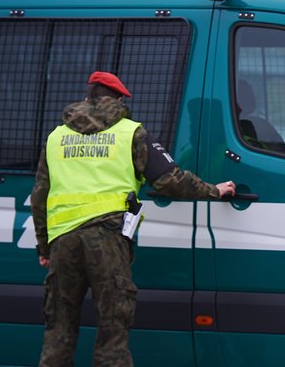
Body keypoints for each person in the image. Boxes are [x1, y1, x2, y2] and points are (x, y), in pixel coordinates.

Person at [31, 71, 236, 366]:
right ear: (118, 99)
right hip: (108, 240)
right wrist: (213, 191)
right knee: (112, 333)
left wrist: (43, 246)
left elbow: (39, 196)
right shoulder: (131, 132)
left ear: (87, 96)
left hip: (63, 241)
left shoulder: (56, 137)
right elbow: (169, 180)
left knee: (58, 333)